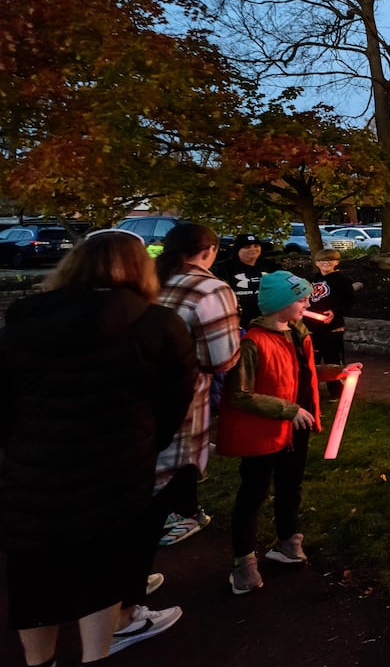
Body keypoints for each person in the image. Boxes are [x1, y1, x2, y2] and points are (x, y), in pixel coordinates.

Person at [1, 231, 195, 665]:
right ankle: (96, 655)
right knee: (103, 569)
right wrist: (143, 445)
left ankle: (39, 662)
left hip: (33, 469)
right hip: (117, 469)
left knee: (34, 572)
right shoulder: (159, 325)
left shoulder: (24, 319)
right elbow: (173, 403)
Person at [112, 224, 241, 652]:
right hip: (179, 407)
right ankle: (125, 611)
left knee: (128, 498)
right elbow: (222, 357)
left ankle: (119, 584)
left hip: (127, 406)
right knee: (152, 506)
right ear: (208, 251)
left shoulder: (149, 280)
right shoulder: (209, 290)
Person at [218, 271, 359, 595]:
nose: (308, 303)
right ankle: (244, 562)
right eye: (301, 299)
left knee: (290, 486)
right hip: (264, 433)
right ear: (280, 304)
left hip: (296, 430)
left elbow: (300, 373)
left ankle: (287, 541)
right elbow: (240, 394)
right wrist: (288, 410)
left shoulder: (298, 333)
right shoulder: (253, 342)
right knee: (252, 493)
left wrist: (337, 372)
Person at [304, 248, 362, 398]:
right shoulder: (312, 280)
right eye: (322, 260)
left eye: (330, 260)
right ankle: (310, 390)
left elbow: (348, 301)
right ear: (316, 263)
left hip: (333, 328)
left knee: (333, 360)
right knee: (312, 360)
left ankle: (337, 392)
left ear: (336, 262)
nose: (326, 263)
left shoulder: (342, 280)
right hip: (312, 327)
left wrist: (335, 312)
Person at [213, 233, 267, 321]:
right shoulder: (224, 269)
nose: (253, 249)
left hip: (265, 320)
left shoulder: (270, 267)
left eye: (256, 245)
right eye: (247, 247)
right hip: (237, 321)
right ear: (238, 250)